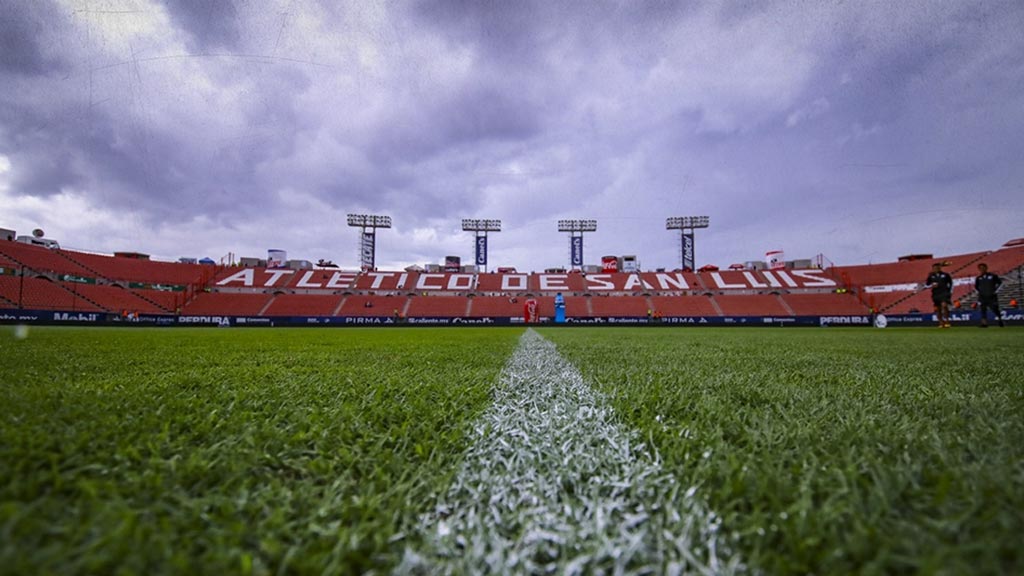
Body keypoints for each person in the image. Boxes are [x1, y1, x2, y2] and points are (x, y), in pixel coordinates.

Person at [974, 263, 1005, 327]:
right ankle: (984, 323)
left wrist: (996, 291)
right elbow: (976, 287)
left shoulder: (993, 276)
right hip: (982, 296)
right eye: (980, 268)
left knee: (995, 308)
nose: (982, 269)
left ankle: (1000, 319)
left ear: (986, 268)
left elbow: (1000, 283)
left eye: (983, 268)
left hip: (992, 296)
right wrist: (979, 292)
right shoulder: (978, 278)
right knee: (983, 309)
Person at [924, 263, 953, 328]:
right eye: (934, 268)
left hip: (944, 292)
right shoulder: (931, 276)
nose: (936, 269)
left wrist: (950, 291)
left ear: (940, 268)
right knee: (938, 308)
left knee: (944, 305)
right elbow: (926, 285)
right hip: (936, 293)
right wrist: (932, 285)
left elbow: (950, 283)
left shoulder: (945, 275)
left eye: (937, 268)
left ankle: (947, 321)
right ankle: (940, 322)